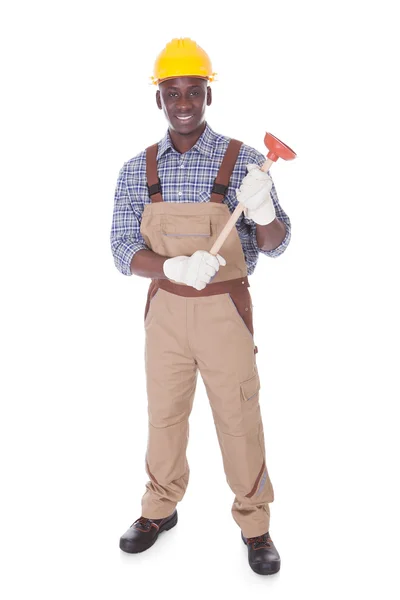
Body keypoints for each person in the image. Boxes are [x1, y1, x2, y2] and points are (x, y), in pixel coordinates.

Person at [110, 37, 291, 575]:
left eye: (194, 91)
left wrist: (261, 212)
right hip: (165, 310)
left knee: (238, 417)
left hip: (224, 313)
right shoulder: (136, 168)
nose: (183, 103)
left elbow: (279, 242)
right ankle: (159, 509)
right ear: (158, 100)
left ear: (208, 96)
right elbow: (121, 248)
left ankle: (255, 524)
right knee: (164, 417)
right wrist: (170, 267)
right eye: (173, 92)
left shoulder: (247, 163)